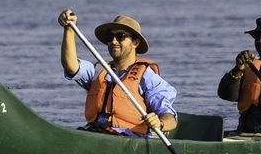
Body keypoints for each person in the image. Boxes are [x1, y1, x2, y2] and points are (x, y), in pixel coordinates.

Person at [57, 8, 178, 136]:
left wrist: (159, 123)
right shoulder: (99, 71)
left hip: (129, 138)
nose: (114, 41)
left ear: (135, 42)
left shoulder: (147, 76)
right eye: (110, 37)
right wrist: (69, 29)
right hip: (95, 132)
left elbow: (170, 117)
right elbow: (71, 66)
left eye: (121, 36)